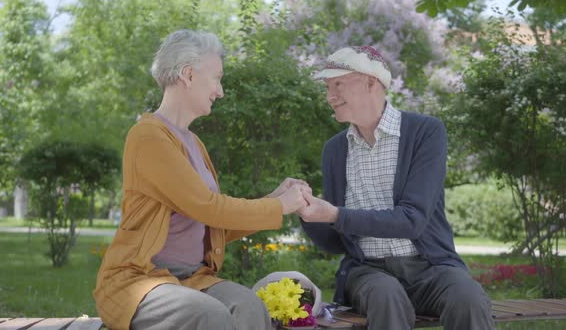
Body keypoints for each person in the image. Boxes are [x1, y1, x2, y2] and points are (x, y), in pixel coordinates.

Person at [93, 29, 310, 330]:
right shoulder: (148, 136)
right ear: (188, 75)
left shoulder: (194, 143)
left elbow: (213, 223)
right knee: (210, 315)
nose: (220, 91)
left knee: (250, 307)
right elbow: (207, 206)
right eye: (217, 77)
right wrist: (279, 207)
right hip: (139, 280)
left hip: (191, 279)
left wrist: (275, 199)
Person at [297, 46, 494, 330]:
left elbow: (412, 221)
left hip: (432, 267)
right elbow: (334, 242)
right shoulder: (335, 150)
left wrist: (335, 214)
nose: (330, 96)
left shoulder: (425, 132)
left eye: (338, 84)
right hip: (368, 272)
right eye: (327, 87)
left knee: (468, 297)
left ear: (370, 83)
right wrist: (306, 210)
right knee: (386, 295)